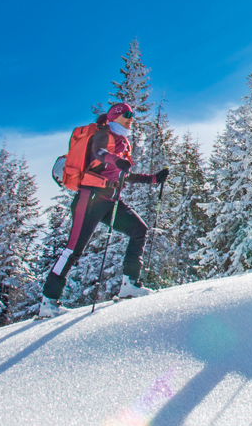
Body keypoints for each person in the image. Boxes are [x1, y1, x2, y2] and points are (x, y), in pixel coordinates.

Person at [40, 101, 169, 317]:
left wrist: (154, 178)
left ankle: (130, 285)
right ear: (114, 116)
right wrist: (116, 160)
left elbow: (124, 175)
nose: (131, 118)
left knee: (139, 230)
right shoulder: (104, 134)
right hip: (89, 199)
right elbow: (99, 153)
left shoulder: (123, 142)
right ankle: (48, 302)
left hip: (110, 200)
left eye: (132, 114)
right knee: (73, 250)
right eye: (126, 114)